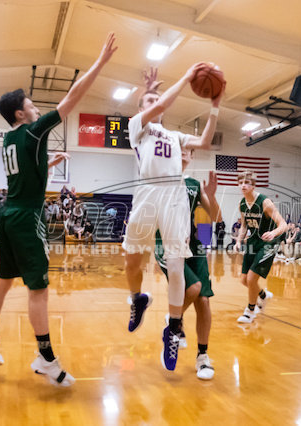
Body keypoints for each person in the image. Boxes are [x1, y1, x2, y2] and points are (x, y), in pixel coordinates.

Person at [0, 33, 117, 387]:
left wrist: (48, 163)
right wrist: (100, 63)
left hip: (8, 213)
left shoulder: (8, 140)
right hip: (26, 216)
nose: (38, 108)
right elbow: (72, 98)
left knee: (4, 280)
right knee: (38, 290)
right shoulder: (33, 131)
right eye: (33, 105)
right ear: (21, 113)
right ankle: (46, 359)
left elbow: (24, 173)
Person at [122, 64, 224, 372]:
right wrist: (187, 76)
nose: (156, 103)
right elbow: (160, 105)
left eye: (157, 100)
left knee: (177, 266)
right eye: (149, 101)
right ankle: (137, 299)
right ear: (141, 109)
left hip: (174, 196)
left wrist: (215, 106)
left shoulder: (175, 136)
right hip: (147, 194)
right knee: (132, 262)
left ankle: (174, 327)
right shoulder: (138, 126)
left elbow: (204, 142)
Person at [154, 149, 221, 380]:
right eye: (179, 148)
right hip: (167, 243)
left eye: (189, 151)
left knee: (203, 299)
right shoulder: (159, 180)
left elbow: (216, 217)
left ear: (191, 157)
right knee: (193, 288)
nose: (184, 153)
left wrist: (211, 196)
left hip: (194, 245)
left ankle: (202, 356)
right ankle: (174, 321)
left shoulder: (194, 184)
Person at [234, 171, 287, 323]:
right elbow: (244, 226)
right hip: (254, 241)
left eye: (247, 183)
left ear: (253, 186)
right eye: (240, 182)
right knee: (244, 280)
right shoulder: (242, 204)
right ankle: (263, 295)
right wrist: (238, 241)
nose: (243, 185)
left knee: (251, 279)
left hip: (269, 243)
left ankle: (250, 311)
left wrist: (273, 233)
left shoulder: (264, 202)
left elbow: (283, 224)